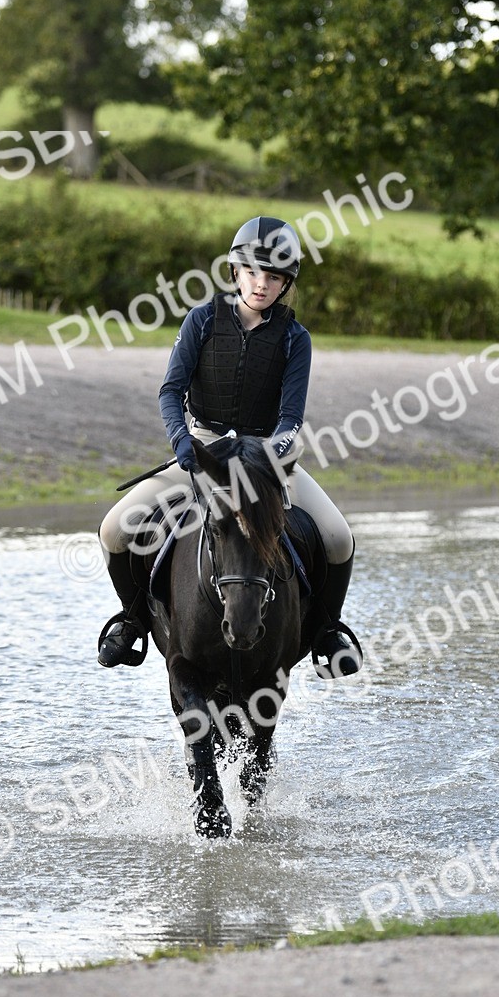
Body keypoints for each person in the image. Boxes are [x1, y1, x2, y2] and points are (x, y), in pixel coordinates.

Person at [97, 215, 361, 675]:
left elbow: (290, 419)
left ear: (286, 283)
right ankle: (133, 620)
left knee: (338, 538)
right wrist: (182, 442)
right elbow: (169, 391)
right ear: (235, 272)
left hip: (265, 455)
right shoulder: (201, 321)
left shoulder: (296, 340)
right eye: (253, 273)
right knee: (114, 530)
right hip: (202, 448)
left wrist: (271, 457)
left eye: (274, 277)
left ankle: (326, 633)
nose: (261, 285)